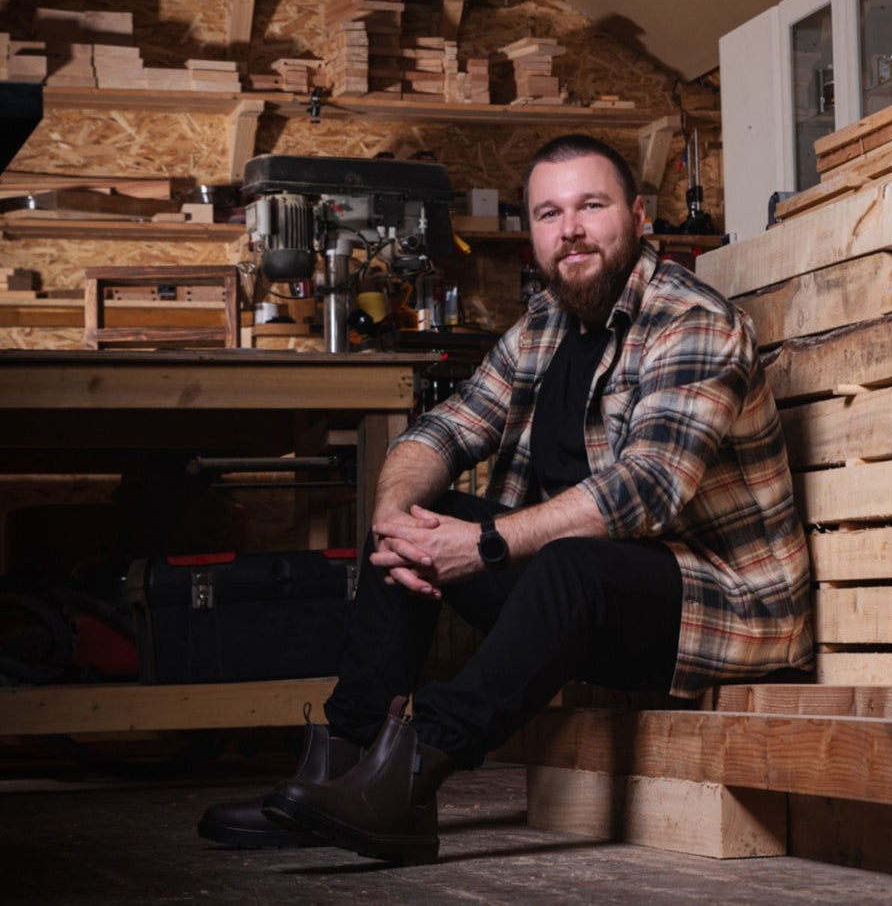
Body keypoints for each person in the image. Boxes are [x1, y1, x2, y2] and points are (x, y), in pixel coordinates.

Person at [198, 134, 813, 864]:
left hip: (719, 606)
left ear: (639, 216)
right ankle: (349, 763)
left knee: (568, 561)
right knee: (424, 518)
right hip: (586, 597)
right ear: (534, 232)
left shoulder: (690, 319)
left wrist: (485, 545)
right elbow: (443, 430)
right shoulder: (545, 325)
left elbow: (647, 489)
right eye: (549, 213)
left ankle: (414, 774)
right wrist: (396, 516)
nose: (570, 228)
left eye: (592, 205)